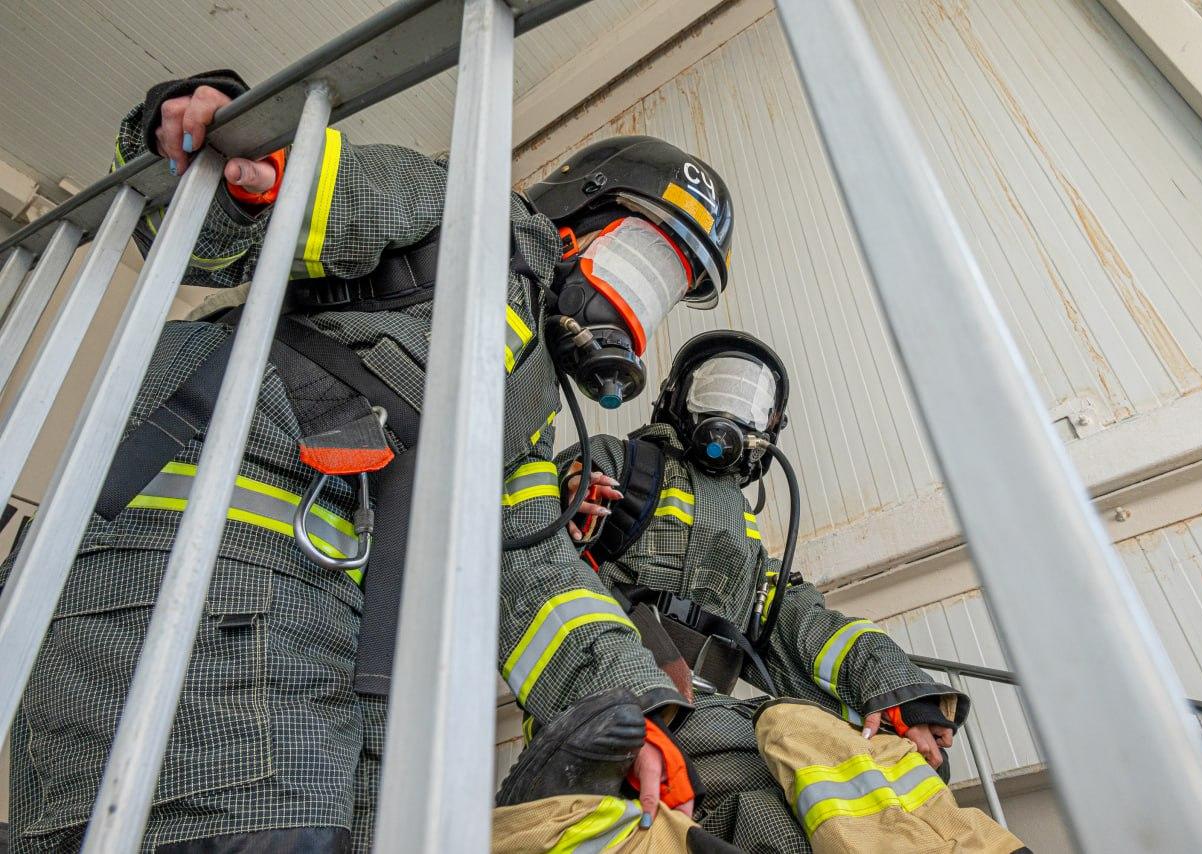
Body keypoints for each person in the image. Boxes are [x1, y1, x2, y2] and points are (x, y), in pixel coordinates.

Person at [0, 69, 731, 852]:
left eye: (666, 292)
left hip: (325, 636)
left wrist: (632, 710)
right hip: (202, 574)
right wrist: (255, 167)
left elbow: (533, 570)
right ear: (575, 218)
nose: (638, 305)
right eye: (645, 262)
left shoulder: (521, 405)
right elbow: (280, 211)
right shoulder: (469, 217)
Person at [540, 331, 1027, 853]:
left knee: (813, 779)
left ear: (768, 430)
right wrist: (572, 493)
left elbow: (801, 621)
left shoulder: (747, 541)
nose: (730, 411)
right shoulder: (624, 462)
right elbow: (540, 547)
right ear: (675, 399)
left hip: (705, 708)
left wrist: (894, 692)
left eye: (750, 402)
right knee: (772, 770)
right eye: (714, 390)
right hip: (616, 691)